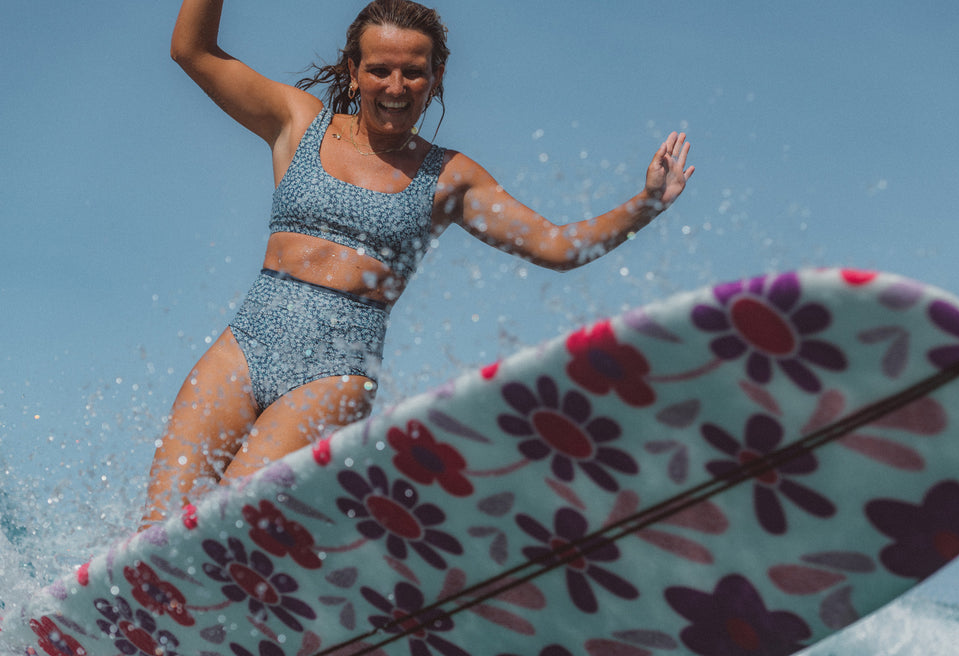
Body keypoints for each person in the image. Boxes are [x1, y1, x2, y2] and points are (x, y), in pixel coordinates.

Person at [142, 0, 695, 527]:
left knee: (222, 522)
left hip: (334, 371)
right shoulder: (298, 123)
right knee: (158, 527)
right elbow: (193, 51)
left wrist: (644, 205)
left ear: (435, 78)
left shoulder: (449, 177)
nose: (396, 87)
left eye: (414, 72)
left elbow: (556, 246)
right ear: (354, 71)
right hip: (245, 344)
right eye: (380, 70)